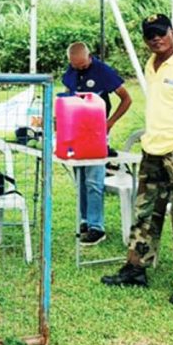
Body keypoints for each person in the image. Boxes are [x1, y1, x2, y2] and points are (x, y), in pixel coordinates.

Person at [102, 13, 173, 305]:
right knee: (146, 214)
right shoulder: (152, 64)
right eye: (150, 35)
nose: (156, 39)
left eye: (162, 32)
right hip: (152, 150)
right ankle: (135, 268)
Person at [61, 42, 132, 245]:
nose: (80, 69)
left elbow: (126, 99)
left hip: (97, 133)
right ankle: (84, 220)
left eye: (83, 66)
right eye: (75, 66)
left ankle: (96, 226)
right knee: (80, 178)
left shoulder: (103, 71)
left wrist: (110, 122)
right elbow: (67, 95)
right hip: (75, 132)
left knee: (93, 180)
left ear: (89, 57)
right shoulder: (71, 71)